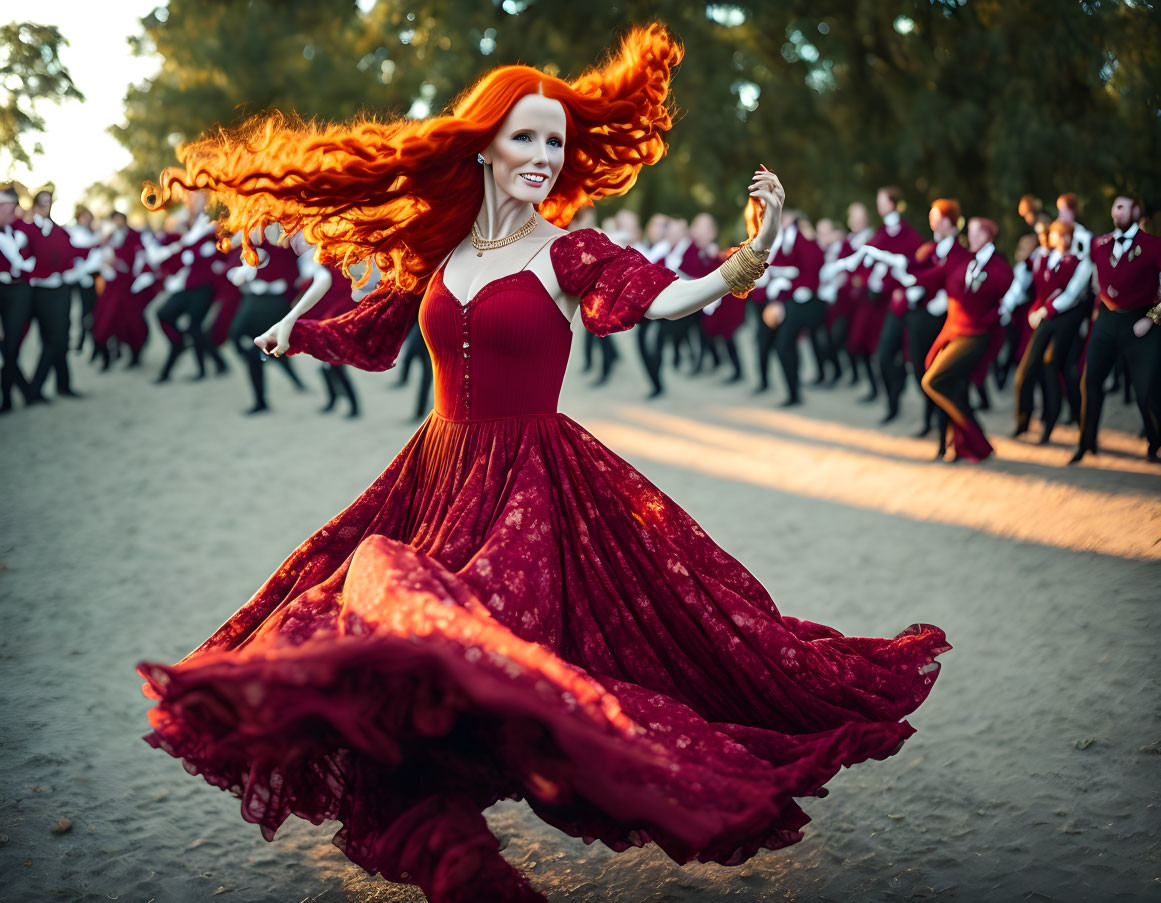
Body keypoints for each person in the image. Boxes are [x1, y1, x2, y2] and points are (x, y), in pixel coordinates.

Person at [136, 27, 948, 903]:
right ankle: (453, 855)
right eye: (524, 136)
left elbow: (659, 298)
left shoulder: (569, 252)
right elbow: (373, 333)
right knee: (383, 631)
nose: (541, 155)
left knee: (442, 621)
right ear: (483, 143)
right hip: (435, 478)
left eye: (554, 142)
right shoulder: (440, 254)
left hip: (535, 487)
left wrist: (748, 257)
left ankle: (462, 841)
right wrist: (299, 332)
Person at [909, 216, 1013, 461]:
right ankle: (959, 445)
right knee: (954, 387)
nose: (971, 237)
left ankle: (973, 436)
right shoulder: (967, 261)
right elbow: (935, 275)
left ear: (987, 235)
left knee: (933, 382)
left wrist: (990, 317)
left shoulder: (998, 267)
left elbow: (1008, 301)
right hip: (955, 331)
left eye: (976, 233)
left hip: (975, 336)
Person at [1070, 194, 1161, 464]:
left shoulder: (1154, 246)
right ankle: (1087, 444)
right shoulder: (1100, 244)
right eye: (1115, 207)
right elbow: (1084, 278)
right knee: (1090, 381)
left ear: (1136, 210)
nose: (1116, 212)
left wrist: (1152, 318)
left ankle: (1155, 444)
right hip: (1107, 321)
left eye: (1123, 207)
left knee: (1146, 391)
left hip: (1141, 322)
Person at [1006, 220, 1092, 444]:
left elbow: (1071, 295)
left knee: (1054, 365)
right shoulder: (1042, 258)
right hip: (1046, 317)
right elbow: (1037, 289)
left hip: (1066, 320)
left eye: (1062, 236)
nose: (1058, 240)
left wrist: (1043, 310)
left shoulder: (1079, 262)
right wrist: (1036, 309)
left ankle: (1054, 423)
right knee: (1027, 369)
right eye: (1056, 235)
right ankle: (1023, 420)